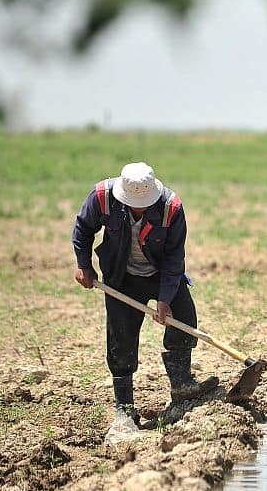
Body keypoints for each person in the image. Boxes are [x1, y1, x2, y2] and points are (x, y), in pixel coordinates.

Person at [72, 162, 218, 425]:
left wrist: (164, 299)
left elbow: (174, 257)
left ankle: (182, 383)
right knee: (121, 338)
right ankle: (125, 408)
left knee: (184, 318)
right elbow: (83, 230)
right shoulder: (102, 197)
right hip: (120, 276)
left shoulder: (171, 207)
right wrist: (84, 265)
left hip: (161, 273)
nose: (139, 207)